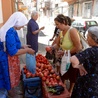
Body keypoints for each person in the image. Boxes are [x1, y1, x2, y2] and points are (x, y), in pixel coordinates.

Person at [0, 12, 35, 97]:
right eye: (22, 25)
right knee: (8, 78)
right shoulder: (10, 32)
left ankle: (11, 92)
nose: (23, 27)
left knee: (9, 78)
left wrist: (22, 46)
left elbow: (12, 44)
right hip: (6, 59)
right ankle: (11, 94)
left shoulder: (12, 29)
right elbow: (13, 51)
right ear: (17, 22)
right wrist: (27, 50)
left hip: (7, 58)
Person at [50, 14, 82, 94]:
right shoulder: (61, 32)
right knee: (63, 74)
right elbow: (57, 44)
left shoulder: (72, 31)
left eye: (58, 24)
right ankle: (63, 88)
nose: (57, 26)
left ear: (63, 22)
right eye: (56, 24)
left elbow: (78, 47)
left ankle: (70, 90)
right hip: (64, 57)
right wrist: (52, 48)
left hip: (72, 57)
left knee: (72, 76)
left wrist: (65, 52)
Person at [70, 26, 98, 98]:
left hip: (87, 83)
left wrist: (78, 66)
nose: (87, 39)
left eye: (88, 37)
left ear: (94, 39)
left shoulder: (91, 51)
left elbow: (73, 60)